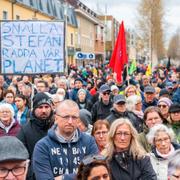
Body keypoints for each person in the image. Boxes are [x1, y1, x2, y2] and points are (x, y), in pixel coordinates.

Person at [33, 100, 99, 179]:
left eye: (74, 117)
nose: (70, 121)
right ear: (56, 118)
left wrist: (61, 178)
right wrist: (81, 175)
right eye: (66, 117)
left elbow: (95, 174)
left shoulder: (89, 141)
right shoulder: (43, 146)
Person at [17, 92, 54, 180]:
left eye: (46, 107)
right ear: (34, 109)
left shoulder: (57, 127)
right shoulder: (25, 130)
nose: (44, 111)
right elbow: (20, 158)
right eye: (40, 107)